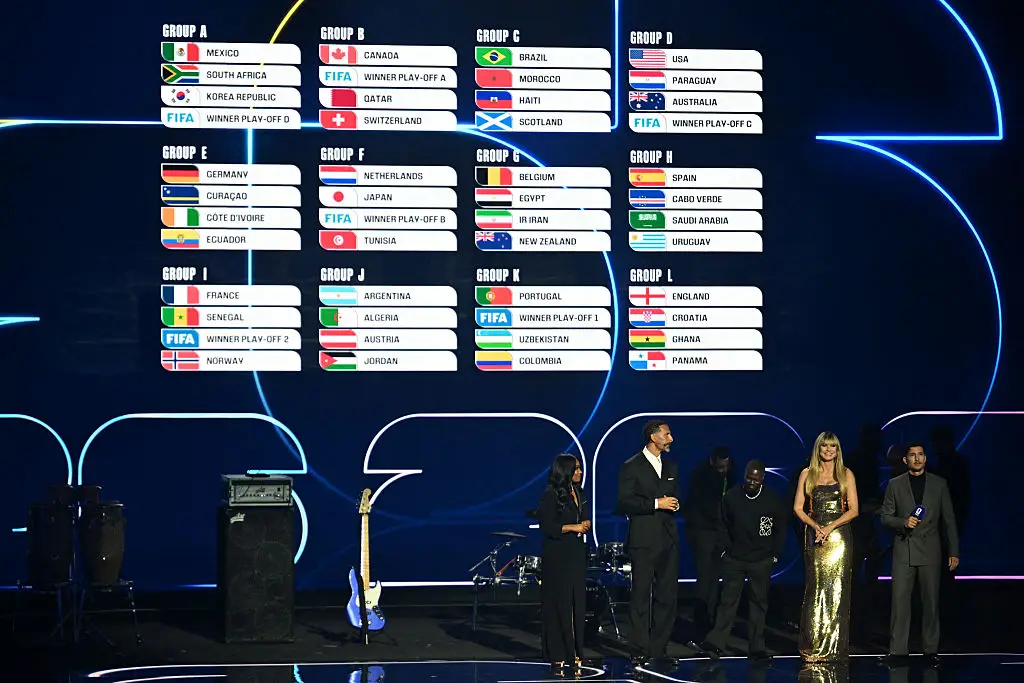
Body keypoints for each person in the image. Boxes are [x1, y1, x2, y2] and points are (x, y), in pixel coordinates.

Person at [878, 443, 959, 667]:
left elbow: (949, 520)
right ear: (905, 460)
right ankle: (897, 651)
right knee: (900, 601)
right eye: (912, 455)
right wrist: (903, 522)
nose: (917, 458)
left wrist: (953, 551)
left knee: (930, 601)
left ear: (925, 458)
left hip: (931, 549)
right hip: (904, 548)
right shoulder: (895, 484)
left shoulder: (939, 484)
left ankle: (930, 650)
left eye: (921, 454)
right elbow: (885, 517)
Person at [700, 460, 786, 660]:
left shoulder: (772, 500)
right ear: (744, 475)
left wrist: (774, 555)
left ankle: (757, 647)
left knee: (759, 603)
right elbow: (722, 524)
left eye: (756, 479)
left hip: (761, 560)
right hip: (735, 559)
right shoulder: (731, 497)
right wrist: (724, 551)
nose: (751, 482)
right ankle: (716, 643)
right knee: (727, 602)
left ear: (762, 479)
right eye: (749, 478)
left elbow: (780, 529)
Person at [616, 419, 680, 666]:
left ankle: (659, 649)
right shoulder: (631, 466)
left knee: (667, 596)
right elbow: (624, 502)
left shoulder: (672, 466)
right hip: (644, 540)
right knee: (641, 596)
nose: (671, 438)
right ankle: (639, 648)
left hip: (668, 539)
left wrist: (674, 503)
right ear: (653, 437)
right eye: (667, 434)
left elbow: (676, 495)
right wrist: (656, 503)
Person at [793, 431, 859, 662]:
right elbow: (799, 508)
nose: (829, 450)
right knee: (816, 589)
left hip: (839, 538)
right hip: (814, 536)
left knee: (837, 590)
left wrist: (829, 528)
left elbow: (853, 510)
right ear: (818, 449)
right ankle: (814, 647)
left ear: (838, 450)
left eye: (833, 446)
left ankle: (834, 649)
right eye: (825, 446)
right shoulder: (807, 474)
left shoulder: (846, 474)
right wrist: (816, 527)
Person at [536, 453, 591, 671]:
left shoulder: (580, 492)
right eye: (576, 468)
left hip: (576, 553)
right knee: (559, 605)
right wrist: (572, 527)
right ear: (565, 471)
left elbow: (583, 517)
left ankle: (576, 651)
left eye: (579, 468)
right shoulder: (549, 495)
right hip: (557, 556)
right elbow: (548, 527)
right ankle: (558, 653)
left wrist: (584, 523)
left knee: (577, 603)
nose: (580, 471)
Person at [682, 445, 733, 642]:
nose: (723, 471)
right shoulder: (700, 475)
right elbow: (702, 505)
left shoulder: (731, 472)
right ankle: (701, 622)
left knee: (716, 576)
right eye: (720, 467)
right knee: (705, 576)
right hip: (702, 530)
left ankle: (712, 619)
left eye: (726, 467)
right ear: (712, 462)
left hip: (720, 531)